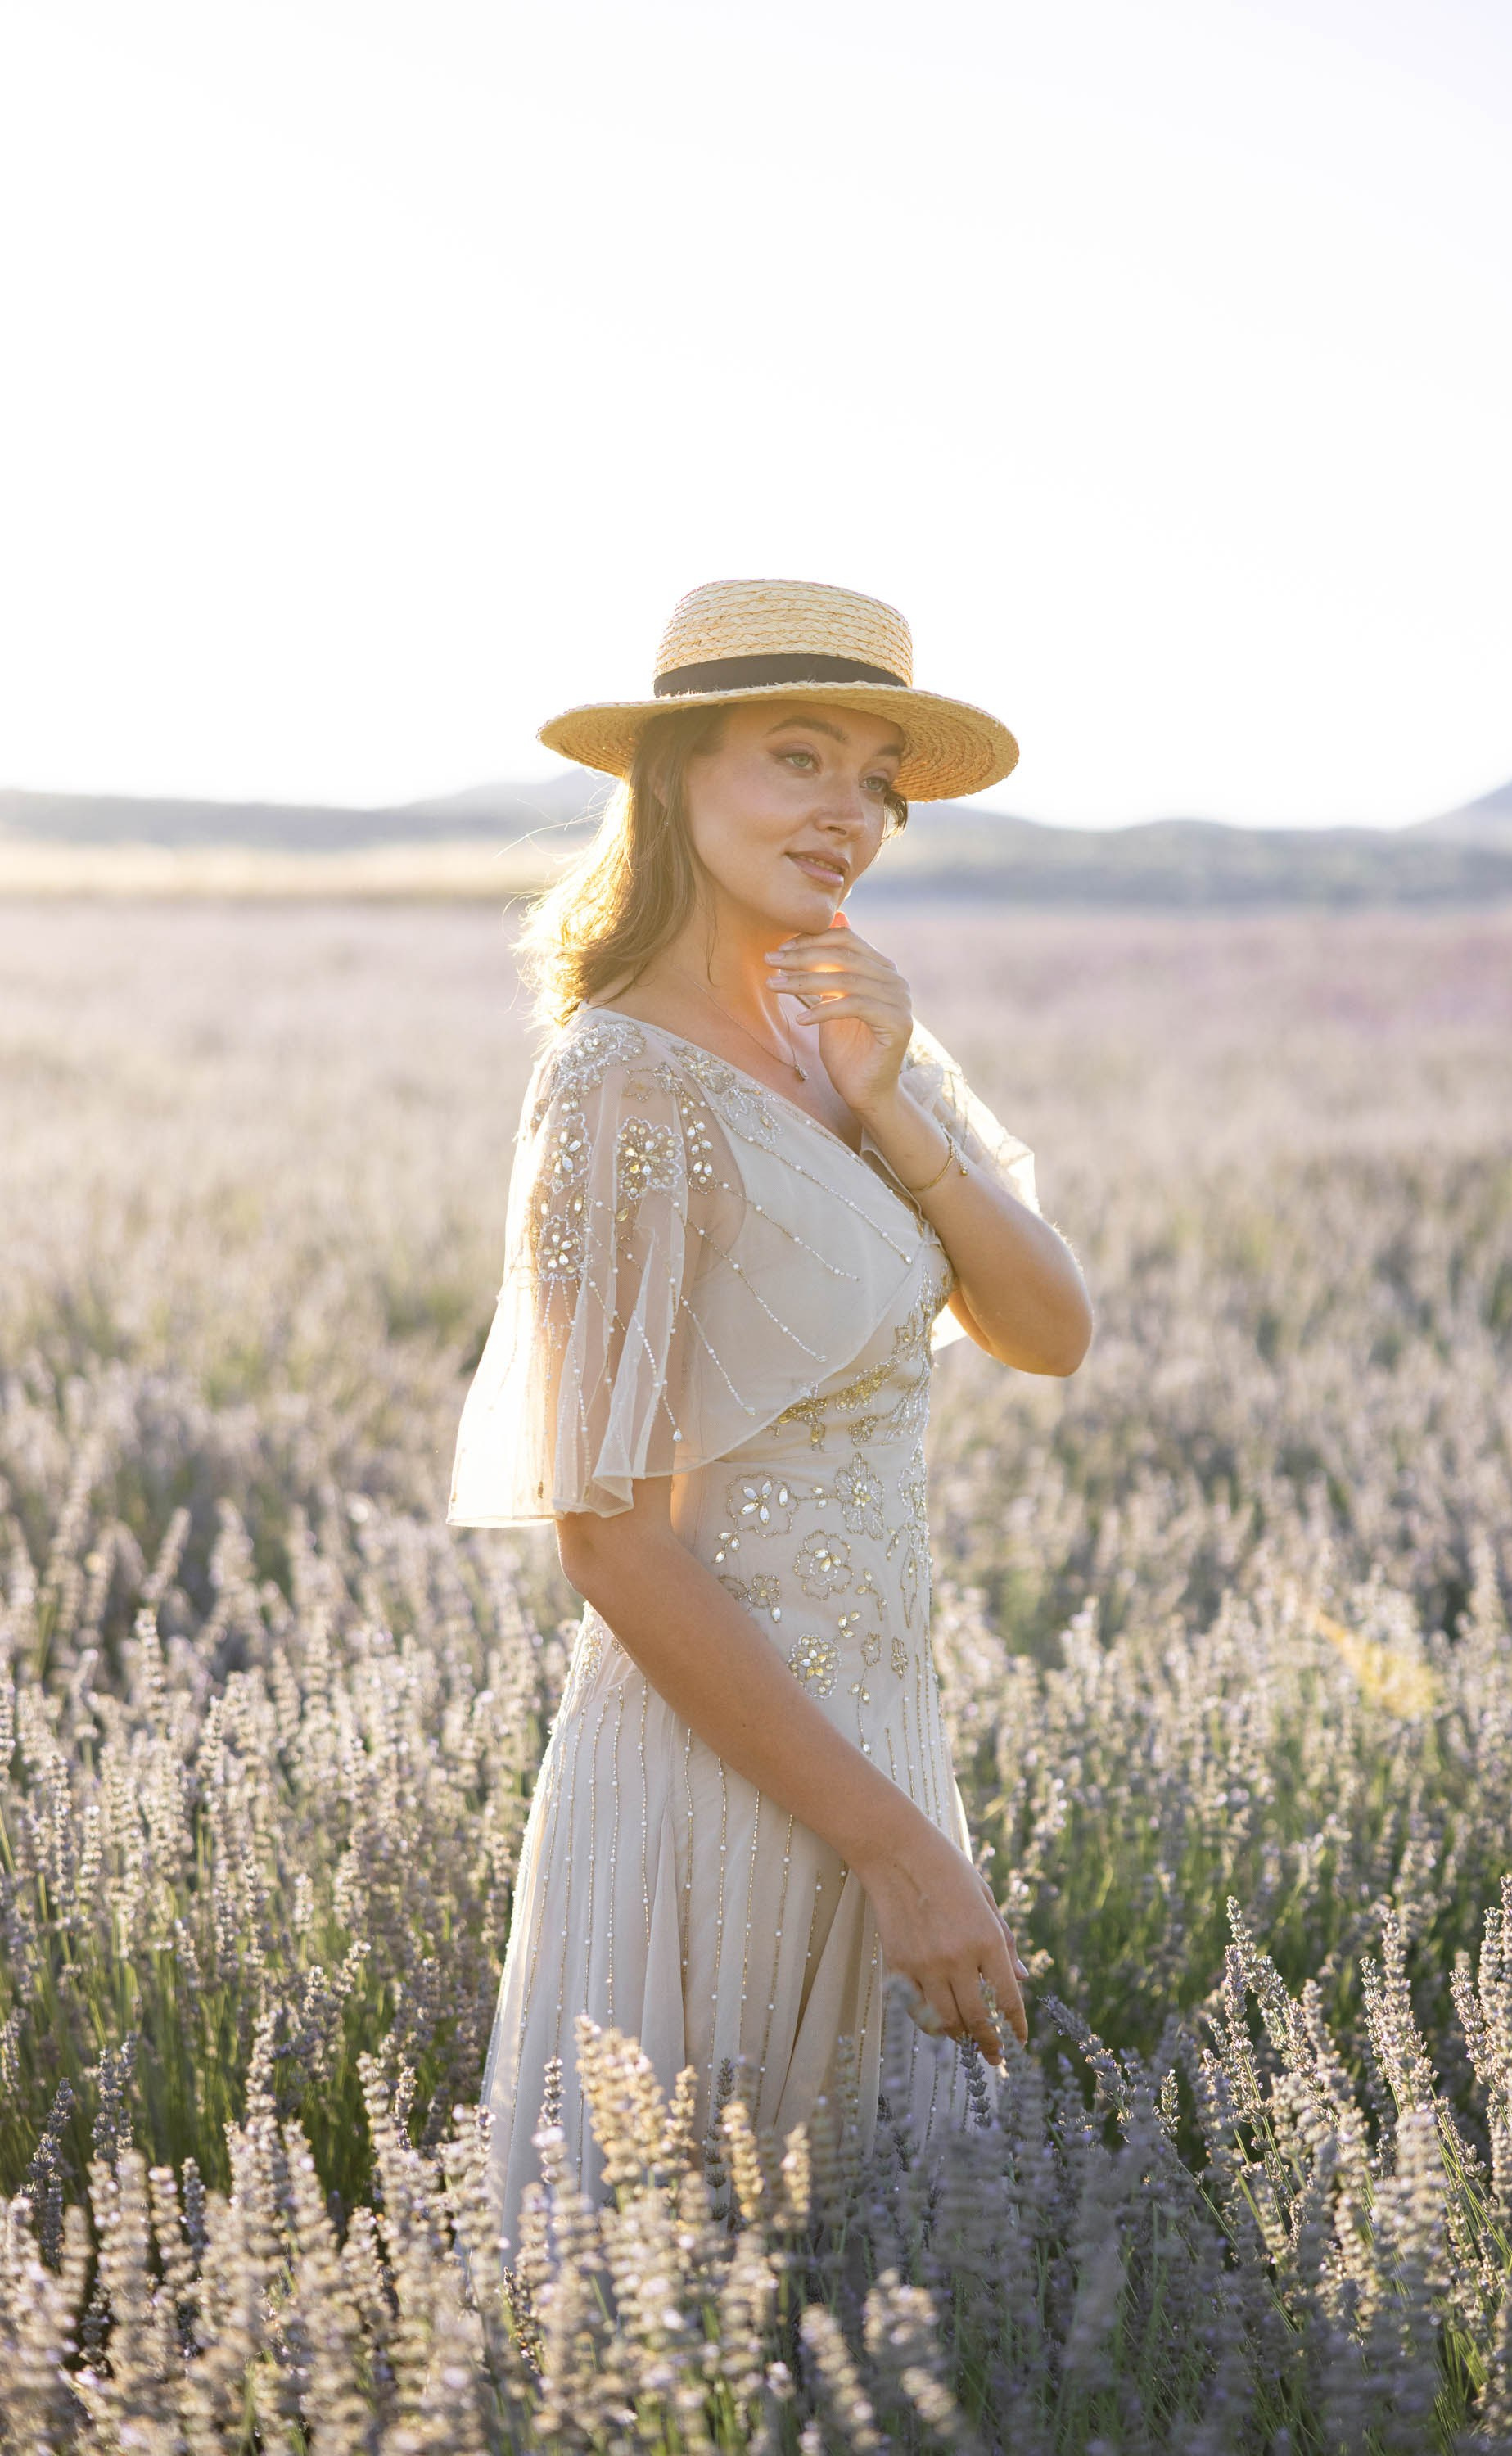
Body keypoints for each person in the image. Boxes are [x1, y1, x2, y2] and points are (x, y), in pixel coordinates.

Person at [448, 577, 1093, 2239]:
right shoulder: (619, 1080)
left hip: (879, 1731)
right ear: (673, 776)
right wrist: (897, 1857)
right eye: (795, 756)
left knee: (873, 2293)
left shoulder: (846, 1012)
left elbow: (1046, 1327)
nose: (847, 812)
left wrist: (888, 1103)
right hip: (711, 1775)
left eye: (872, 775)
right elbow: (607, 1541)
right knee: (684, 2291)